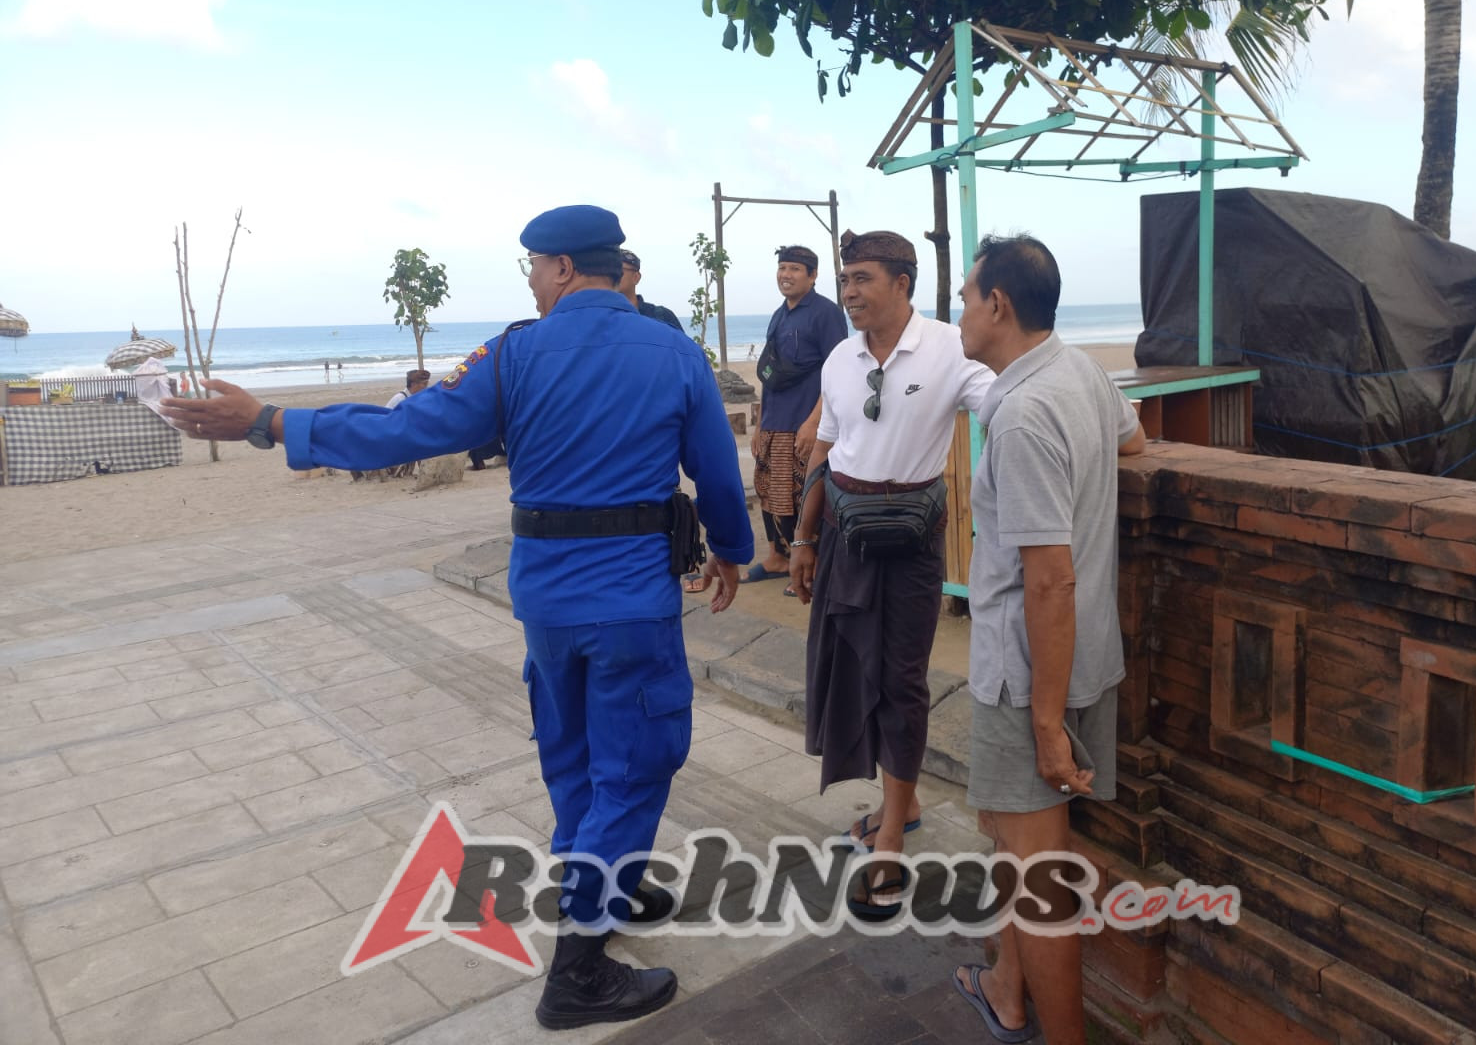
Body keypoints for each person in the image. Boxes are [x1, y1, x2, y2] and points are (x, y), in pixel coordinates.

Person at [161, 204, 754, 1031]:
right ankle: (578, 973)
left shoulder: (511, 353)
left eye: (533, 270)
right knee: (636, 764)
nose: (532, 284)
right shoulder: (674, 352)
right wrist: (731, 547)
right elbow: (718, 473)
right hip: (630, 603)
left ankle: (602, 885)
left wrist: (273, 422)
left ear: (560, 268)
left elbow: (407, 428)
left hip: (545, 600)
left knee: (576, 755)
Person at [952, 234, 1145, 1045]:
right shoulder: (1080, 374)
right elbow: (1132, 444)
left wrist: (1043, 720)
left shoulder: (1026, 415)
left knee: (1040, 882)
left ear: (998, 304)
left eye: (965, 297)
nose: (957, 312)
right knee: (1011, 836)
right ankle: (1006, 983)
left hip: (1028, 677)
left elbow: (1049, 579)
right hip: (1080, 661)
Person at [789, 229, 993, 911]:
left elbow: (1009, 401)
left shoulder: (950, 347)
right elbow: (826, 443)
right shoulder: (842, 358)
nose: (849, 290)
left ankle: (892, 842)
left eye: (863, 278)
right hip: (844, 534)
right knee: (853, 667)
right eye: (846, 278)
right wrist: (803, 538)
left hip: (910, 543)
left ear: (902, 283)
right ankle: (895, 806)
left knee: (901, 681)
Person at [747, 245, 846, 596]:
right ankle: (777, 557)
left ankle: (814, 566)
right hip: (775, 420)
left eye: (794, 269)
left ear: (813, 275)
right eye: (782, 268)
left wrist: (814, 422)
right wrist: (760, 422)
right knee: (769, 491)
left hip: (805, 420)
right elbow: (770, 372)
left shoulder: (826, 313)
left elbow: (838, 370)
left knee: (804, 495)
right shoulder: (778, 315)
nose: (785, 275)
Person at [618, 248, 684, 332]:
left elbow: (682, 344)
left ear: (636, 277)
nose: (613, 274)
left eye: (619, 270)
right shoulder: (599, 316)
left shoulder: (661, 317)